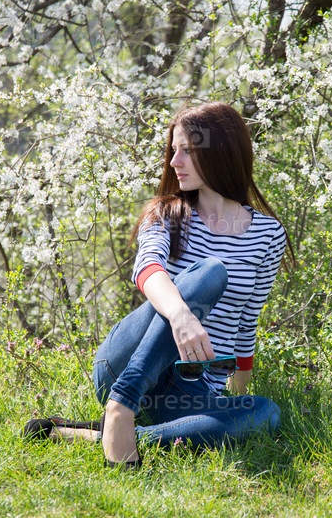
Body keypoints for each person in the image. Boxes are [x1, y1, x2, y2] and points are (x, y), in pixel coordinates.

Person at [23, 102, 293, 470]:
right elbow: (147, 268)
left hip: (189, 389)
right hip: (126, 363)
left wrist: (232, 400)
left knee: (265, 413)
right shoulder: (166, 213)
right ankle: (121, 405)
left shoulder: (268, 234)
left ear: (222, 152)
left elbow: (246, 323)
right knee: (210, 273)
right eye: (173, 150)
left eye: (187, 151)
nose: (174, 161)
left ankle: (96, 434)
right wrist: (181, 315)